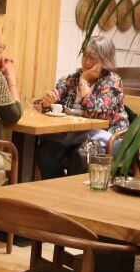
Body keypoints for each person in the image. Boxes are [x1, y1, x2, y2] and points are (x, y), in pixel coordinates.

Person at [36, 35, 127, 180]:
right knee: (46, 152)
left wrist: (84, 81)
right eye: (85, 56)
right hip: (73, 135)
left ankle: (74, 198)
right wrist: (47, 102)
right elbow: (46, 101)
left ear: (105, 60)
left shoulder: (112, 81)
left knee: (81, 156)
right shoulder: (72, 79)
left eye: (93, 58)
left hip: (107, 137)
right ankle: (55, 194)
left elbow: (95, 112)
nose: (86, 62)